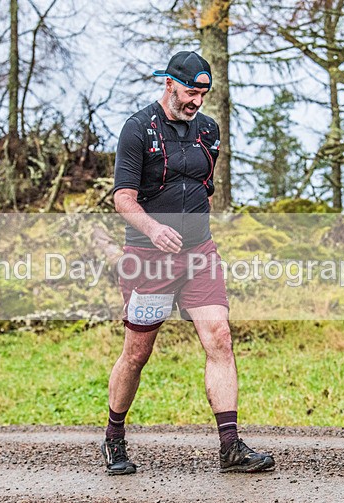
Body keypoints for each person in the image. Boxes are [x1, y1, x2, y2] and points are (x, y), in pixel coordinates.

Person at [100, 50, 275, 475]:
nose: (196, 101)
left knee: (220, 336)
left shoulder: (209, 131)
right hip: (148, 259)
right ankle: (114, 439)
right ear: (169, 84)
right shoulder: (137, 129)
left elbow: (204, 187)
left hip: (199, 255)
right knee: (137, 353)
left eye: (202, 94)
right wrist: (154, 229)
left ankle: (230, 447)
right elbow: (123, 198)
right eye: (190, 92)